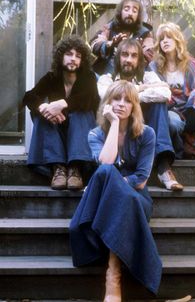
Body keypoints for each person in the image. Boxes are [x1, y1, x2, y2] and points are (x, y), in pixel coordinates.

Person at [70, 80, 162, 300]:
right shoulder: (95, 134)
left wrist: (112, 183)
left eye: (127, 101)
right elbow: (106, 162)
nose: (121, 104)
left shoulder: (147, 134)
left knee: (114, 186)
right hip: (106, 200)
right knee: (105, 173)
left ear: (134, 107)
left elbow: (140, 180)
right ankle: (114, 272)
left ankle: (113, 274)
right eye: (116, 99)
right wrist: (113, 125)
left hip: (137, 199)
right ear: (107, 103)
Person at [97, 38, 183, 191]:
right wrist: (140, 89)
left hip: (142, 128)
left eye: (133, 55)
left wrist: (132, 93)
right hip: (116, 130)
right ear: (118, 58)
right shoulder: (106, 79)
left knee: (158, 104)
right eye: (125, 55)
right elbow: (106, 95)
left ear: (139, 60)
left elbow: (164, 92)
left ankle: (163, 166)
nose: (128, 59)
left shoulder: (148, 76)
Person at [23, 35, 100, 190]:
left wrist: (61, 104)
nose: (73, 59)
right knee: (43, 115)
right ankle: (59, 169)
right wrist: (44, 108)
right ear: (60, 56)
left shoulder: (88, 77)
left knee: (81, 113)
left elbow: (89, 99)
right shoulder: (52, 77)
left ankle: (75, 169)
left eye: (78, 56)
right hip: (57, 134)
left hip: (81, 135)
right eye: (69, 54)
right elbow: (28, 97)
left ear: (82, 60)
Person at [149, 22, 195, 159]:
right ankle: (179, 149)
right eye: (161, 39)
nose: (165, 41)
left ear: (177, 40)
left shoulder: (191, 64)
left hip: (191, 110)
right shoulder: (154, 66)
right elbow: (155, 93)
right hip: (169, 110)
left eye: (169, 37)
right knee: (172, 122)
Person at [90, 0, 154, 75]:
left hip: (133, 77)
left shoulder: (145, 33)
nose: (130, 13)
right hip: (106, 75)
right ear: (120, 12)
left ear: (138, 16)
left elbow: (148, 56)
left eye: (134, 11)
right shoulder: (109, 28)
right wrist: (110, 44)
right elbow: (94, 45)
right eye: (126, 9)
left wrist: (136, 50)